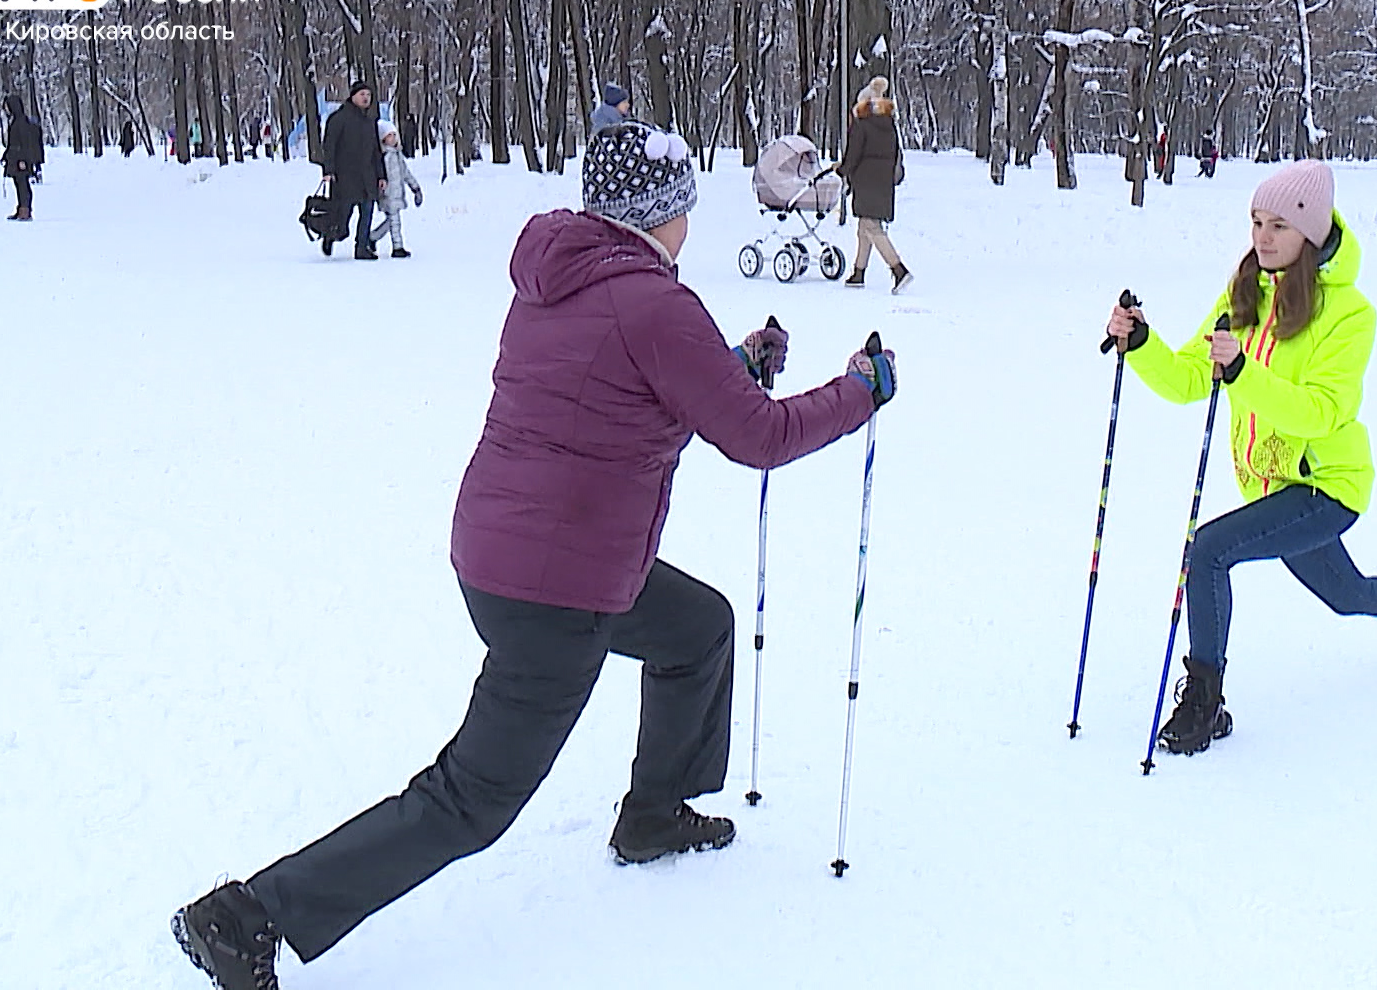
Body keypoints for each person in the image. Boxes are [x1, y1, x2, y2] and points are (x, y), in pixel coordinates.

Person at [171, 119, 899, 990]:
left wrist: (733, 361)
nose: (690, 228)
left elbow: (633, 390)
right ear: (662, 214)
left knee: (695, 629)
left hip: (515, 552)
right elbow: (759, 438)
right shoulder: (656, 304)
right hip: (560, 586)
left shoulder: (569, 277)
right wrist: (857, 393)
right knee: (470, 799)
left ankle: (655, 815)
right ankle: (249, 916)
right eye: (685, 211)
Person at [1102, 159, 1377, 758]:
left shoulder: (1350, 314)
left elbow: (1321, 412)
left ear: (1310, 231)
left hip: (1327, 487)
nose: (1263, 236)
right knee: (1346, 594)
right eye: (1256, 221)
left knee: (1208, 551)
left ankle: (1205, 703)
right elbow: (1186, 381)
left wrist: (1243, 374)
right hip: (1273, 489)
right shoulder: (1244, 293)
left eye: (1279, 224)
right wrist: (1144, 343)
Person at [839, 75, 912, 293]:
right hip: (882, 182)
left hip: (866, 181)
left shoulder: (862, 126)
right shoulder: (889, 126)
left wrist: (842, 170)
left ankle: (899, 270)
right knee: (865, 227)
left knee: (871, 227)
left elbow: (853, 155)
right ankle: (858, 273)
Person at [320, 80, 388, 259]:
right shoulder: (338, 118)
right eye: (362, 95)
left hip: (367, 176)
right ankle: (331, 235)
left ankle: (361, 247)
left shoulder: (370, 121)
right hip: (345, 177)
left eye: (368, 95)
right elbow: (329, 146)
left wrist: (381, 175)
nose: (366, 98)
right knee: (343, 219)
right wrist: (328, 170)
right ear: (353, 96)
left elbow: (376, 150)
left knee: (367, 211)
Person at [369, 119, 423, 258]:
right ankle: (397, 247)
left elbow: (405, 172)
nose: (392, 138)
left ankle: (373, 237)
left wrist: (415, 187)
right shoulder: (384, 157)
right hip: (388, 194)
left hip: (397, 193)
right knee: (395, 221)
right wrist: (382, 190)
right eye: (389, 136)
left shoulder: (397, 155)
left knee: (391, 222)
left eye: (394, 135)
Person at [1, 94, 44, 222]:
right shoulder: (15, 121)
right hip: (14, 158)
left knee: (23, 185)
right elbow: (12, 143)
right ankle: (20, 208)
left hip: (21, 160)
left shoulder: (21, 122)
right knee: (18, 184)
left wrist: (23, 160)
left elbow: (25, 143)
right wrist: (6, 155)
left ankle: (26, 210)